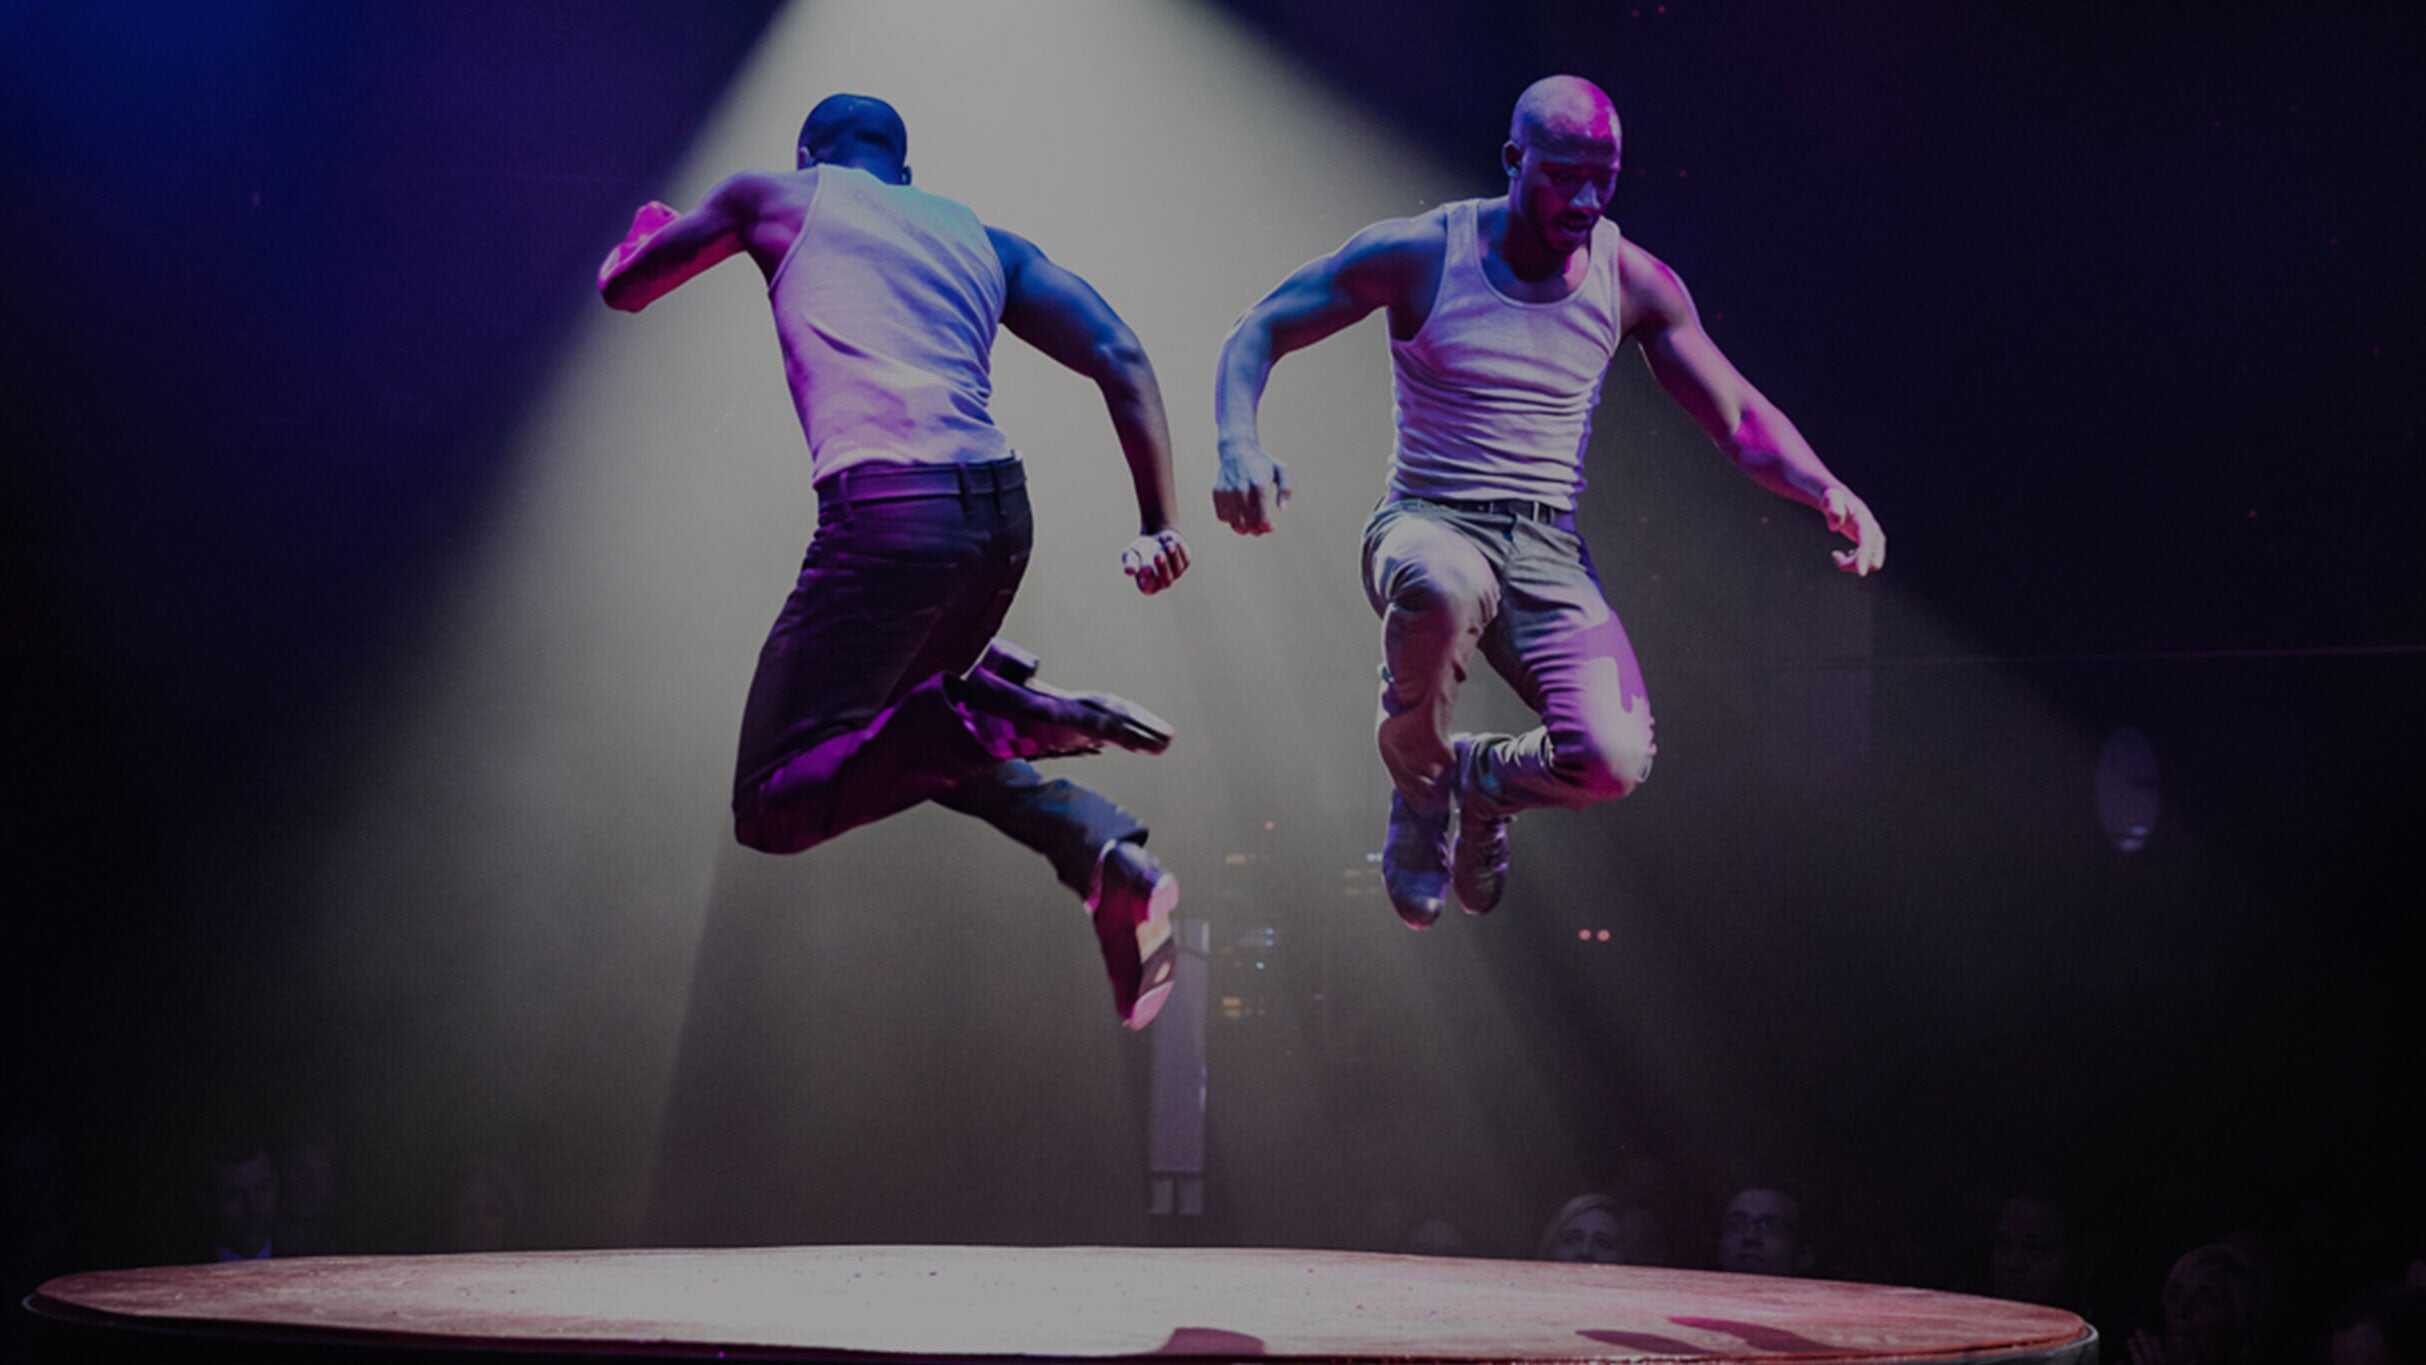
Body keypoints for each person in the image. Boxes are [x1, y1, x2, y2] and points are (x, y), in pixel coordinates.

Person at [1211, 75, 1884, 927]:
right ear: (1513, 160)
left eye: (1605, 178)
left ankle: (1482, 783)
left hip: (1545, 547)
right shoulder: (1426, 253)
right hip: (1427, 519)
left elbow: (1738, 415)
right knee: (1445, 583)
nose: (1588, 200)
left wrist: (1825, 487)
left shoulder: (1631, 279)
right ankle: (1422, 788)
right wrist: (1238, 444)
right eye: (1565, 176)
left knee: (1613, 757)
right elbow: (1260, 327)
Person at [599, 94, 1192, 1027]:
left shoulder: (771, 196)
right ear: (905, 175)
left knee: (772, 800)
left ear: (807, 156)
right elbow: (1118, 351)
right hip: (1000, 524)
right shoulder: (982, 239)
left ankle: (1004, 714)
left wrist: (644, 232)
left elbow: (626, 288)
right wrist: (1158, 522)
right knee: (888, 734)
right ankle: (1097, 849)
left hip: (888, 518)